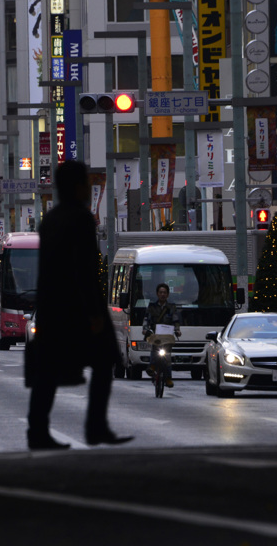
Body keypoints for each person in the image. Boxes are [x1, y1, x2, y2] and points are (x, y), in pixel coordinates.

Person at [26, 160, 133, 450]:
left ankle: (37, 430)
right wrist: (94, 313)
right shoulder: (81, 219)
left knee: (46, 372)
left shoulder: (50, 220)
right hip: (76, 310)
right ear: (76, 186)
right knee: (104, 359)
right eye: (86, 182)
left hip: (51, 308)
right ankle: (95, 426)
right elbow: (85, 269)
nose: (89, 187)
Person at [142, 283, 181, 387]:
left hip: (167, 336)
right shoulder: (151, 307)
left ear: (167, 294)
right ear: (157, 294)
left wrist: (177, 330)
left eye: (164, 292)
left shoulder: (171, 307)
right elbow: (146, 319)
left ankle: (168, 378)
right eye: (160, 292)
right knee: (154, 350)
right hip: (156, 335)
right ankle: (152, 367)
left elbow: (176, 320)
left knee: (167, 357)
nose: (162, 294)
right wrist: (145, 329)